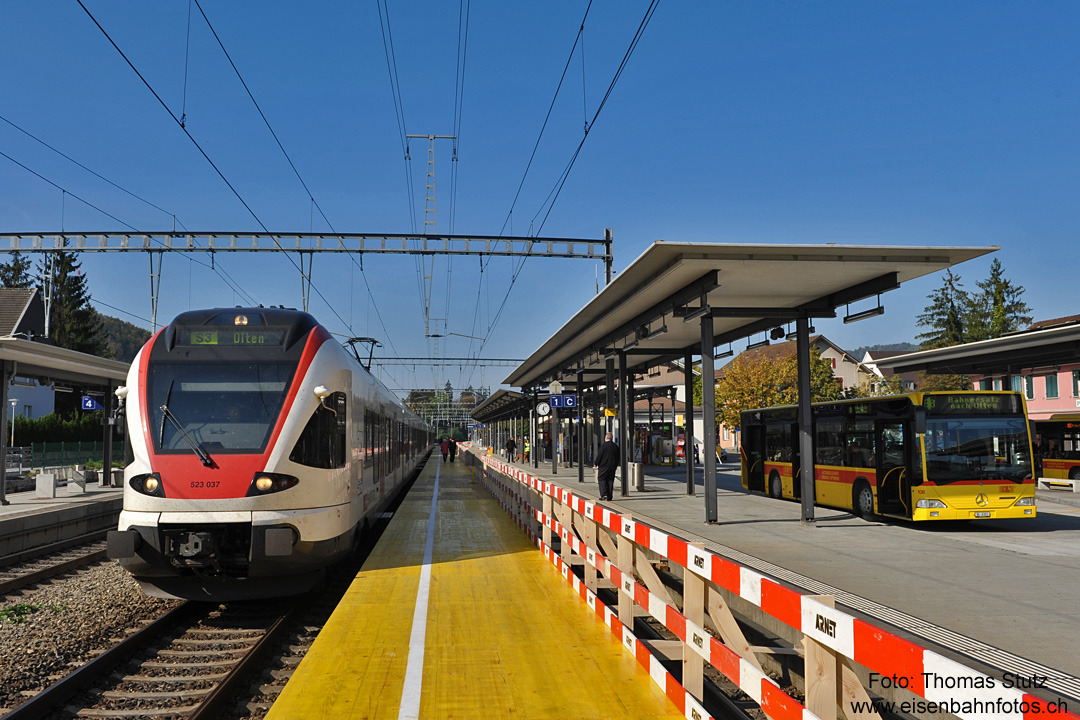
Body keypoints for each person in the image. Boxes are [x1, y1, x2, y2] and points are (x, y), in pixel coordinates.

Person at [593, 432, 620, 502]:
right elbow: (618, 456)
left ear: (606, 438)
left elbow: (600, 455)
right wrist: (616, 464)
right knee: (610, 480)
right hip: (612, 466)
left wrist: (596, 463)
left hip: (604, 466)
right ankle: (610, 496)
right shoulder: (615, 446)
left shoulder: (603, 446)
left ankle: (604, 494)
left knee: (602, 479)